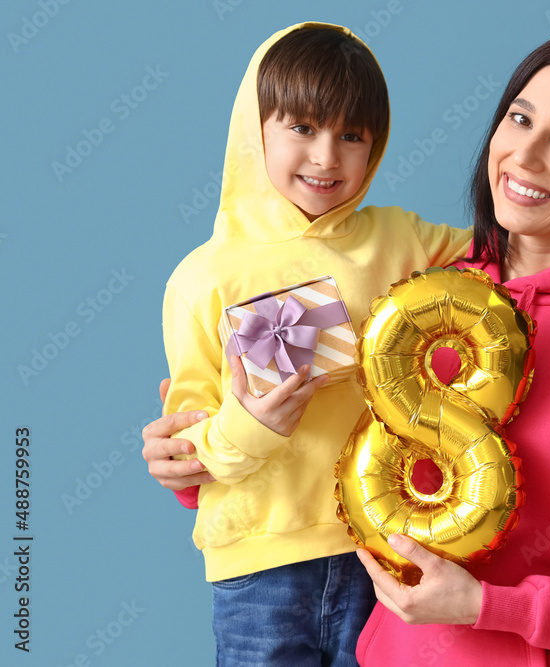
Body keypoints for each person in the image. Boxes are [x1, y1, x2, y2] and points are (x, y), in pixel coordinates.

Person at [148, 30, 550, 666]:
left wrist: (490, 607)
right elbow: (281, 425)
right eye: (520, 119)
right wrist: (195, 459)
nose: (527, 155)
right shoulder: (416, 294)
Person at [156, 22, 471, 665]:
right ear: (256, 129)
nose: (327, 157)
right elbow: (186, 446)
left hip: (385, 546)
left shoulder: (401, 237)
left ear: (374, 148)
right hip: (259, 565)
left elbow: (508, 263)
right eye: (302, 128)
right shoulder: (202, 279)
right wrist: (248, 427)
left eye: (351, 136)